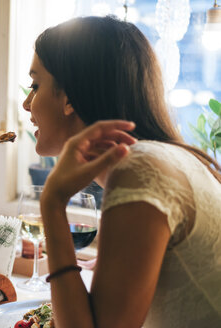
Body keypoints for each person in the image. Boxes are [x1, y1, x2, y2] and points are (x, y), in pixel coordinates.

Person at [23, 16, 221, 327]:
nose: (26, 103)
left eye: (35, 85)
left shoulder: (142, 170)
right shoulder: (167, 159)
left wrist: (52, 201)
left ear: (70, 98)